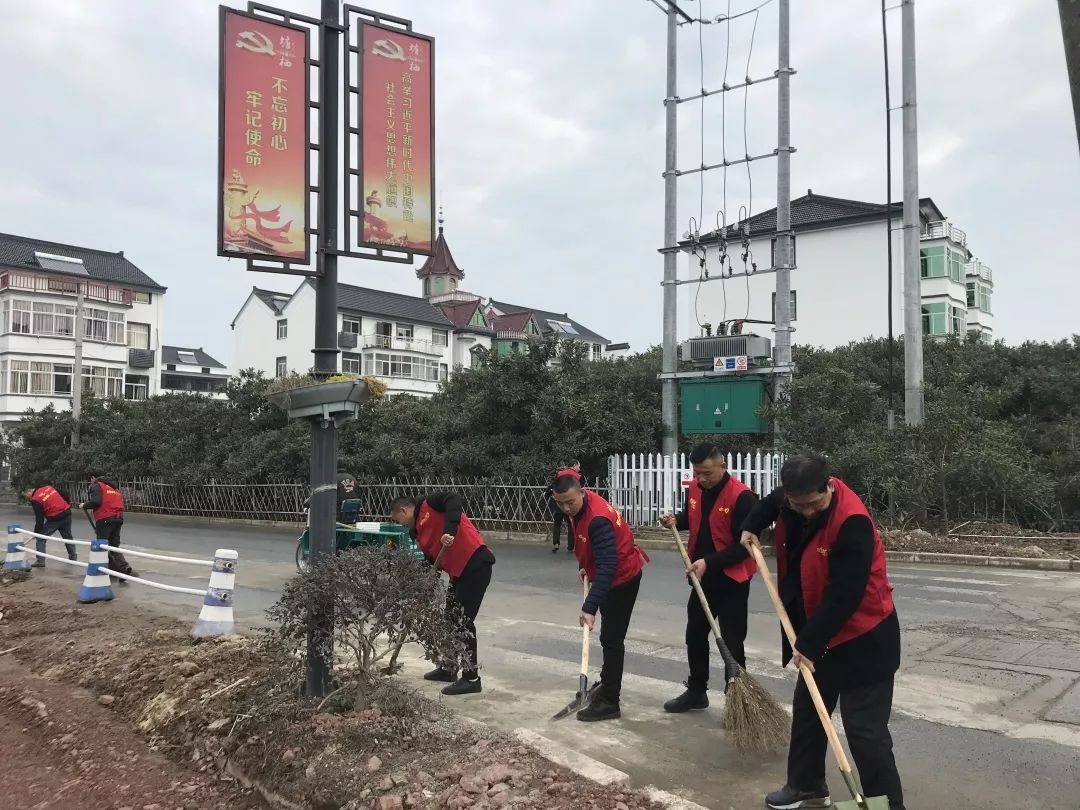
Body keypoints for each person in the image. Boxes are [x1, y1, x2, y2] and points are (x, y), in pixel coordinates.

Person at [740, 455, 904, 810]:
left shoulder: (852, 522)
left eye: (814, 504)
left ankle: (886, 805)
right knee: (809, 711)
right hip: (823, 633)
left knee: (865, 732)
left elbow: (845, 593)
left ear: (829, 485)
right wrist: (752, 524)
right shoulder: (791, 500)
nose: (808, 512)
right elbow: (770, 502)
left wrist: (810, 643)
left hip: (866, 638)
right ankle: (807, 785)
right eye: (798, 506)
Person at [658, 443, 758, 712]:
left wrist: (709, 561)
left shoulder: (743, 497)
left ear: (722, 467)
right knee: (695, 634)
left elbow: (745, 547)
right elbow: (695, 519)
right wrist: (675, 521)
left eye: (707, 473)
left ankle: (738, 703)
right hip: (702, 579)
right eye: (697, 473)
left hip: (732, 580)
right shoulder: (695, 489)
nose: (701, 479)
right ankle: (696, 692)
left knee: (733, 641)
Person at [552, 474, 648, 721]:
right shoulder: (583, 507)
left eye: (570, 502)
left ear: (581, 492)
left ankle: (610, 702)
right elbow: (598, 553)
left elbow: (608, 566)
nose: (566, 508)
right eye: (560, 503)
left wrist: (589, 607)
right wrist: (588, 566)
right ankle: (606, 685)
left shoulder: (597, 519)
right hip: (612, 574)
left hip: (622, 579)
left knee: (612, 640)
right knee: (610, 638)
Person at [390, 491, 495, 696]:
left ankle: (471, 678)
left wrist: (450, 531)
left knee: (462, 623)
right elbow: (432, 562)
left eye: (398, 520)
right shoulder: (416, 533)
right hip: (458, 573)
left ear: (403, 510)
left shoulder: (430, 503)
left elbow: (454, 499)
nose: (399, 524)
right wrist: (424, 588)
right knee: (449, 621)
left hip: (475, 564)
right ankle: (449, 668)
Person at [80, 475, 135, 581]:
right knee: (114, 546)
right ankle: (124, 567)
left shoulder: (96, 485)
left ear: (93, 477)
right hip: (118, 518)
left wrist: (84, 505)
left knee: (102, 545)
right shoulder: (113, 487)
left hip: (105, 518)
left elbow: (96, 501)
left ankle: (112, 569)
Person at [23, 484, 78, 566]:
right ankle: (73, 557)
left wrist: (36, 532)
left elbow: (39, 519)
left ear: (29, 491)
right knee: (67, 537)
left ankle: (40, 561)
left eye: (26, 496)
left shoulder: (36, 499)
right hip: (66, 513)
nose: (27, 499)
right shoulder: (48, 488)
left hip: (55, 518)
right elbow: (65, 493)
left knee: (41, 539)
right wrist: (66, 504)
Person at [545, 460, 581, 554]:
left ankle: (556, 544)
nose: (579, 469)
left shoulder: (560, 473)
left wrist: (547, 494)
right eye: (578, 466)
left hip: (559, 503)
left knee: (557, 524)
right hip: (569, 503)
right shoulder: (576, 476)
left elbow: (554, 485)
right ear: (574, 465)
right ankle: (570, 546)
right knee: (570, 525)